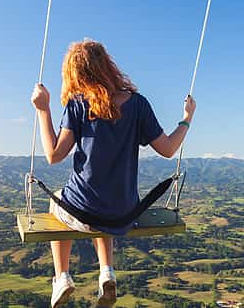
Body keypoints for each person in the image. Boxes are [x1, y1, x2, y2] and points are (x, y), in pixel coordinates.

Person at [30, 40, 196, 307]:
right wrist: (186, 118)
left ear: (76, 74)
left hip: (84, 211)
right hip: (124, 213)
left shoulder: (78, 105)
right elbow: (168, 149)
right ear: (108, 66)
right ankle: (107, 272)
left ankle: (61, 277)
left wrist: (42, 110)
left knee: (58, 200)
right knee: (103, 204)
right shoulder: (138, 105)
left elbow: (53, 155)